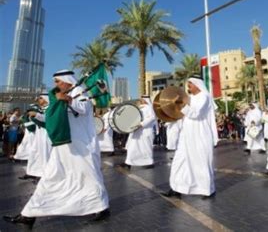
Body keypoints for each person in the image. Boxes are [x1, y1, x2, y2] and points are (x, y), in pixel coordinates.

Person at [3, 70, 109, 228]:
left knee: (89, 177)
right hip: (63, 145)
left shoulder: (79, 92)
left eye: (58, 81)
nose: (56, 85)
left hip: (81, 146)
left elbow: (83, 109)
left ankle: (101, 207)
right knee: (50, 177)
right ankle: (29, 214)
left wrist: (68, 99)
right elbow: (53, 118)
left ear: (67, 80)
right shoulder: (62, 94)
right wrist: (37, 116)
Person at [163, 75, 218, 199]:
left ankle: (207, 189)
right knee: (179, 161)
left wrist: (181, 105)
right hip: (186, 134)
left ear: (197, 84)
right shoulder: (190, 98)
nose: (188, 86)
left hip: (200, 134)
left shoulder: (204, 97)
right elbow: (183, 113)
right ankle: (176, 188)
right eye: (188, 84)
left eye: (190, 84)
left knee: (201, 162)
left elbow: (196, 114)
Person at [121, 96, 156, 169]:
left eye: (142, 99)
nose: (140, 100)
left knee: (146, 148)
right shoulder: (138, 108)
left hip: (145, 131)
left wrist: (142, 124)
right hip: (136, 131)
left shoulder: (149, 108)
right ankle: (128, 162)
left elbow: (152, 117)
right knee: (132, 147)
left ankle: (149, 162)